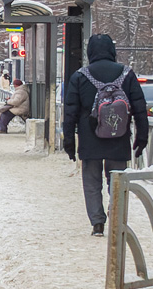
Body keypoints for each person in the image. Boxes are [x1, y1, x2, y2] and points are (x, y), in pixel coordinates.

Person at [64, 34, 149, 235]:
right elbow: (139, 108)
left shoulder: (80, 76)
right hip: (119, 136)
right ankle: (116, 216)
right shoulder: (127, 74)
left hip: (89, 138)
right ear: (112, 50)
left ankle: (97, 223)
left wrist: (69, 141)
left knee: (91, 181)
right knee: (117, 181)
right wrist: (142, 137)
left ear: (90, 52)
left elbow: (70, 112)